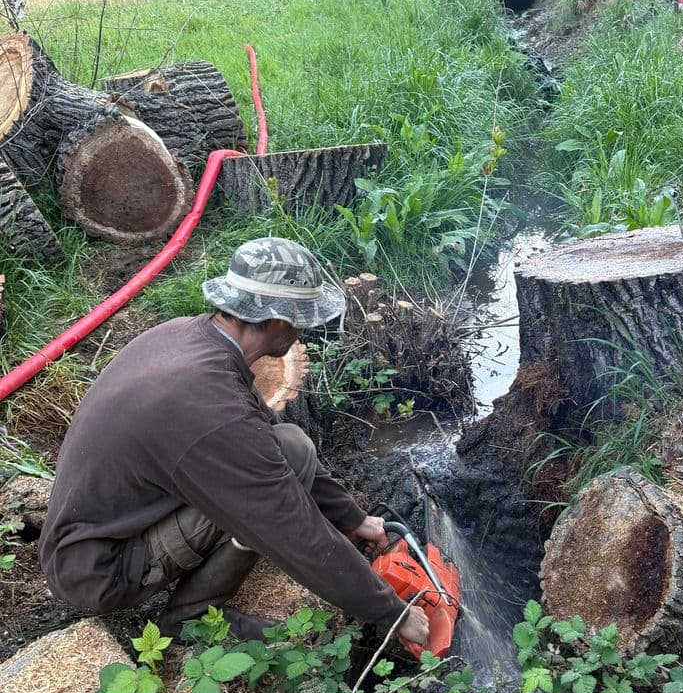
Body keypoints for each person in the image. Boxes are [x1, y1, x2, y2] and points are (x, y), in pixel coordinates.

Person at [38, 237, 430, 648]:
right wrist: (393, 613)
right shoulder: (211, 409)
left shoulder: (189, 337)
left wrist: (353, 519)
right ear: (277, 319)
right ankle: (188, 616)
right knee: (263, 510)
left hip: (104, 532)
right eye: (302, 319)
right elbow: (291, 530)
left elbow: (271, 442)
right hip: (100, 570)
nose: (303, 330)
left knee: (291, 446)